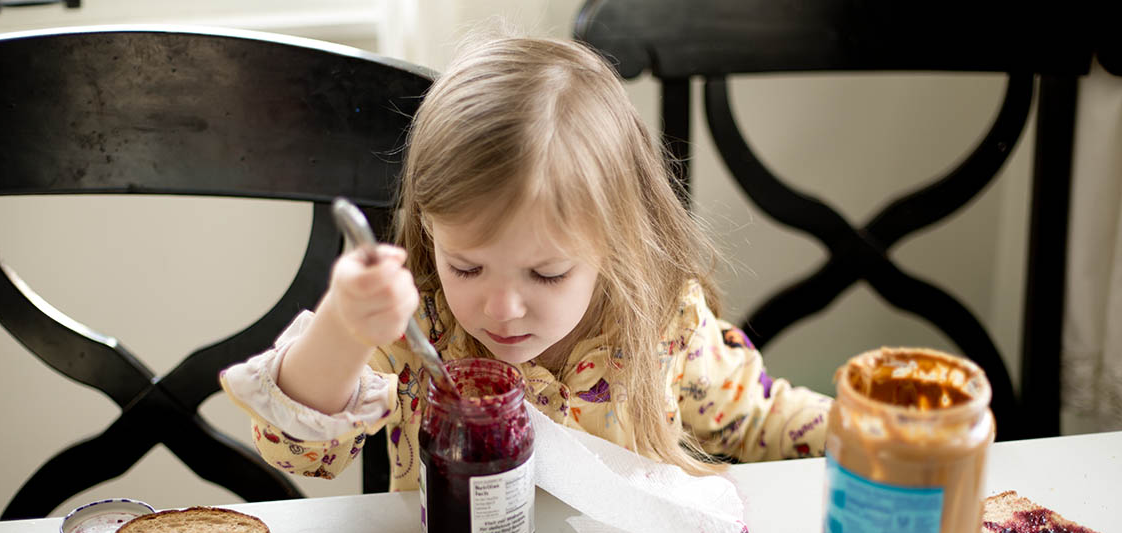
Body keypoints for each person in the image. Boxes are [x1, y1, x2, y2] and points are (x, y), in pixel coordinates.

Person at [220, 33, 831, 491]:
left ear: (615, 242)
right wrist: (343, 329)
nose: (502, 307)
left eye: (547, 273)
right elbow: (298, 453)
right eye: (466, 267)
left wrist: (872, 430)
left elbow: (754, 421)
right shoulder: (419, 327)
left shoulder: (663, 321)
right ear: (428, 230)